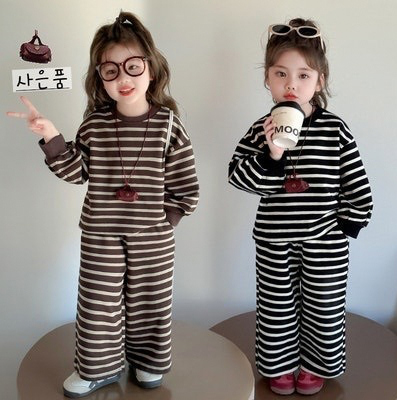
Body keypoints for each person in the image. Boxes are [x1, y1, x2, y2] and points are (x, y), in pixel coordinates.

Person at [8, 11, 199, 398]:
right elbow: (76, 171)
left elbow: (185, 181)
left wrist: (168, 219)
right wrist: (51, 135)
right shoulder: (95, 124)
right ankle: (98, 368)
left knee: (151, 299)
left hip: (153, 236)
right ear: (100, 78)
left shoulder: (168, 124)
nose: (123, 78)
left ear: (151, 69)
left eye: (132, 66)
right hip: (100, 233)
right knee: (97, 304)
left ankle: (148, 361)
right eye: (111, 70)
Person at [228, 18, 372, 396]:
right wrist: (272, 155)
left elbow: (357, 185)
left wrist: (347, 227)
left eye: (303, 75)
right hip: (273, 241)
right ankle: (279, 366)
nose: (291, 84)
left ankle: (315, 366)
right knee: (276, 308)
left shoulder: (335, 130)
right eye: (281, 74)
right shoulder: (260, 129)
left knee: (324, 306)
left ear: (320, 81)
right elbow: (239, 177)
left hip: (325, 241)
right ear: (267, 78)